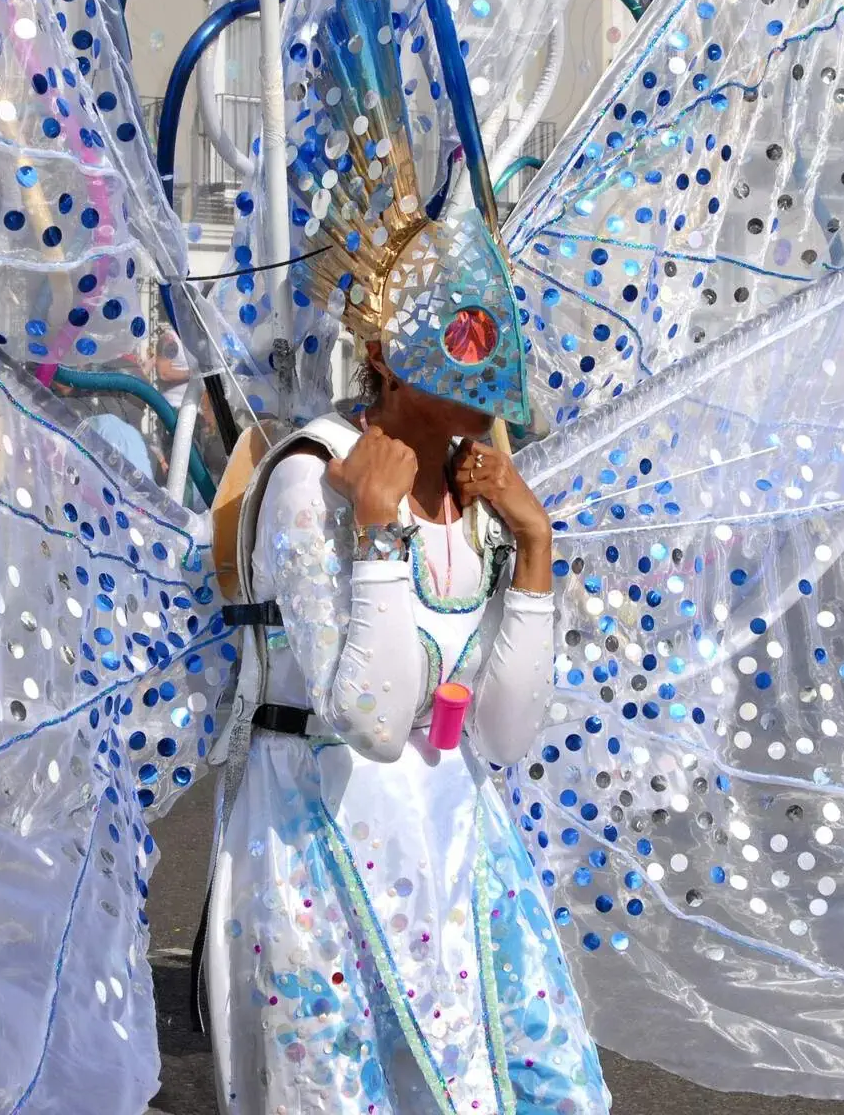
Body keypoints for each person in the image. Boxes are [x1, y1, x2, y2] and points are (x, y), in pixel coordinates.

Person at [203, 329, 610, 1112]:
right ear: (388, 353)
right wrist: (378, 531)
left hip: (457, 839)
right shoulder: (311, 474)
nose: (488, 357)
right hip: (323, 831)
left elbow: (503, 733)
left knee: (513, 1077)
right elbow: (374, 720)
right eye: (461, 331)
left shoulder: (479, 486)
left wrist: (533, 543)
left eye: (496, 330)